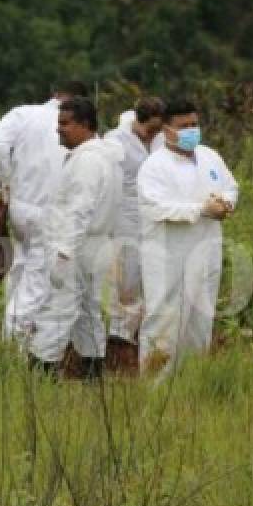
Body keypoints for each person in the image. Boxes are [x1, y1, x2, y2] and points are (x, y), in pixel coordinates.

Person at [137, 98, 238, 377]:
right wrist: (201, 209)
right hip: (170, 257)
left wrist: (225, 202)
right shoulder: (155, 166)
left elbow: (230, 186)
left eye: (195, 124)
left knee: (200, 321)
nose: (192, 130)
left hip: (207, 251)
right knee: (165, 323)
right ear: (167, 130)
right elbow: (157, 207)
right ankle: (154, 391)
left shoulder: (209, 156)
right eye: (184, 126)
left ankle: (191, 385)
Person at [29, 97, 123, 377]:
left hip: (76, 248)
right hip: (94, 245)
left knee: (57, 312)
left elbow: (79, 211)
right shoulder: (104, 158)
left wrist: (63, 253)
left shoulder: (89, 162)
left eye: (65, 124)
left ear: (85, 125)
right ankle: (93, 380)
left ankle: (40, 379)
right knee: (88, 313)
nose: (59, 130)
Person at [0, 81, 84, 341]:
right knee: (37, 280)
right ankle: (17, 341)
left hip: (20, 206)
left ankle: (12, 328)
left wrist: (6, 181)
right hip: (49, 212)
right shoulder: (74, 124)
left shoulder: (24, 114)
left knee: (20, 268)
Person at [104, 97, 166, 354]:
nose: (153, 135)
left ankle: (147, 334)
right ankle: (120, 337)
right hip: (124, 217)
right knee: (125, 278)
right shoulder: (114, 142)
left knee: (153, 274)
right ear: (137, 121)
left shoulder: (160, 140)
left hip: (154, 215)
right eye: (150, 129)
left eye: (158, 130)